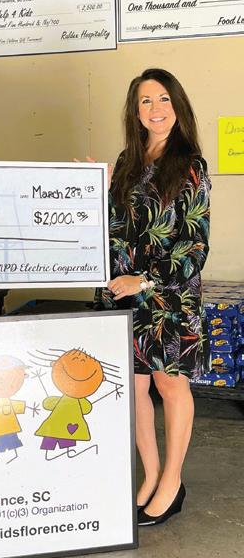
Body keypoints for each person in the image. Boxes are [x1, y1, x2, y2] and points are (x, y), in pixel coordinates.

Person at [94, 68, 210, 526]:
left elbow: (194, 245)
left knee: (169, 385)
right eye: (146, 101)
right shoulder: (127, 161)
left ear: (177, 105)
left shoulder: (190, 165)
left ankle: (173, 483)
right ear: (135, 111)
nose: (155, 109)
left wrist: (143, 280)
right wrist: (92, 190)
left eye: (163, 99)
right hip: (122, 298)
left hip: (168, 300)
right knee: (135, 387)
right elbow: (113, 228)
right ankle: (152, 475)